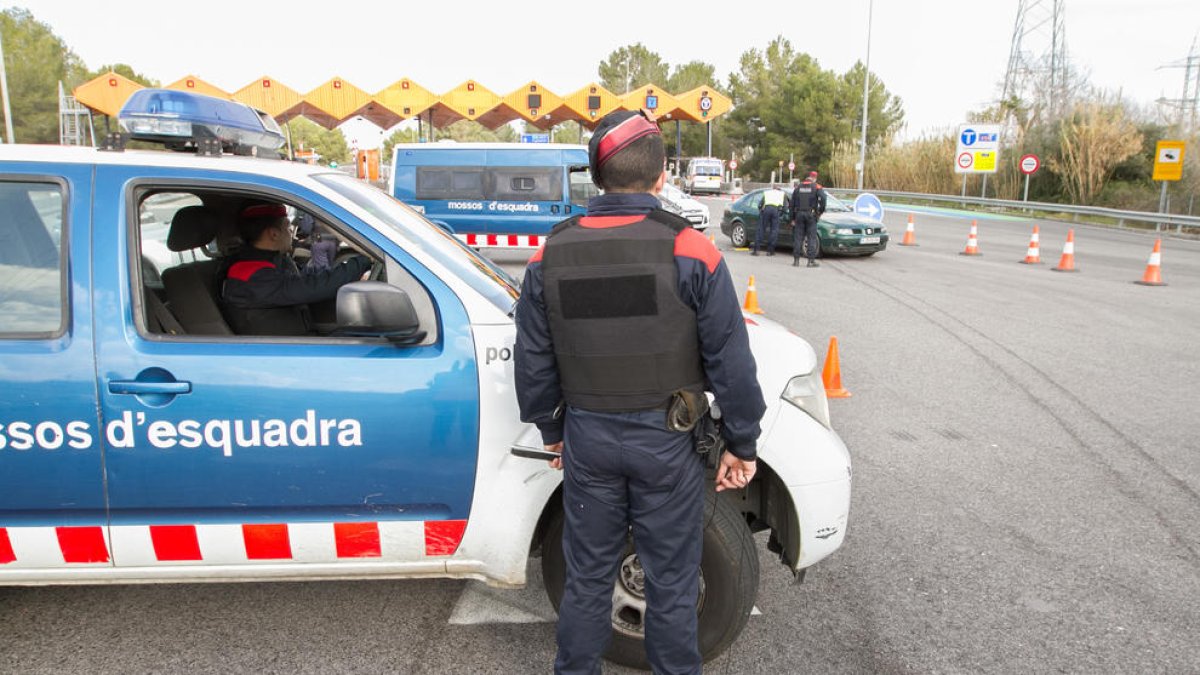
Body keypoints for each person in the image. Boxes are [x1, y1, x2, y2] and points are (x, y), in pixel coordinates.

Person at [513, 110, 766, 675]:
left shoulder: (547, 256)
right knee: (672, 584)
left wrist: (553, 431)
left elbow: (533, 362)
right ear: (660, 178)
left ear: (596, 179)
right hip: (667, 444)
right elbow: (732, 361)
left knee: (586, 580)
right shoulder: (692, 251)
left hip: (587, 439)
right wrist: (741, 444)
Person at [220, 202, 371, 335]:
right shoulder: (248, 275)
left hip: (296, 342)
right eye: (287, 227)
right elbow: (311, 287)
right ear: (273, 234)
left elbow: (308, 278)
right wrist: (365, 260)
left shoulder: (275, 260)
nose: (291, 232)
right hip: (280, 354)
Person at [791, 171, 827, 267]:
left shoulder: (798, 187)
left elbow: (792, 204)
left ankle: (796, 261)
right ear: (814, 178)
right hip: (811, 215)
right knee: (811, 238)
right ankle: (810, 261)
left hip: (799, 215)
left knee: (798, 237)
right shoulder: (816, 187)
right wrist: (820, 211)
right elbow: (823, 198)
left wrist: (792, 218)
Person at [753, 182, 787, 256]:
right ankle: (770, 251)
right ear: (778, 188)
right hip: (776, 211)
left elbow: (760, 204)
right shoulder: (782, 194)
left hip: (766, 210)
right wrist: (781, 214)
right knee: (774, 231)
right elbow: (785, 207)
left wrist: (761, 211)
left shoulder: (767, 193)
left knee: (761, 229)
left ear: (772, 188)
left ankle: (757, 250)